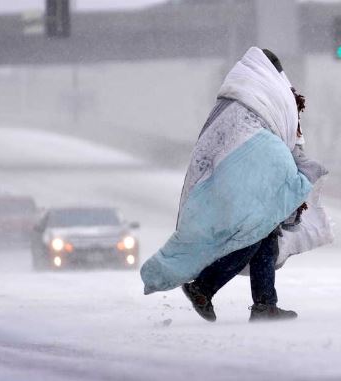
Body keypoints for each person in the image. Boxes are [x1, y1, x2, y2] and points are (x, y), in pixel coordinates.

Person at [140, 47, 330, 322]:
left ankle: (265, 304)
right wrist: (294, 171)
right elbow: (283, 135)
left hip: (231, 176)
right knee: (253, 234)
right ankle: (204, 287)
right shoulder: (268, 94)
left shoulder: (236, 98)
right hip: (246, 175)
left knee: (265, 234)